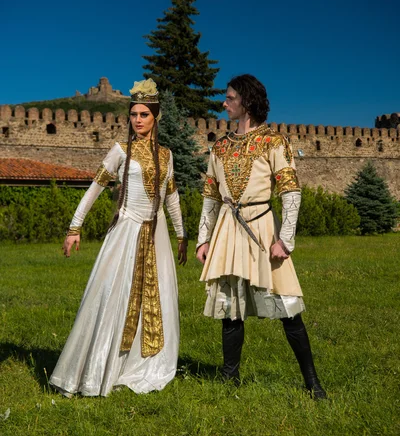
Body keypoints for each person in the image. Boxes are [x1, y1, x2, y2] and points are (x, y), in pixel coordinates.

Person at [50, 78, 187, 397]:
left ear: (156, 118)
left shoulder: (167, 156)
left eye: (144, 115)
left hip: (157, 236)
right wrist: (74, 227)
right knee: (113, 296)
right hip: (125, 232)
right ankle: (98, 367)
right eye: (134, 114)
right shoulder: (120, 151)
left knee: (159, 298)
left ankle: (143, 363)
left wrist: (181, 235)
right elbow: (94, 189)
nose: (137, 120)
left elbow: (172, 198)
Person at [196, 74, 326, 399]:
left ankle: (312, 383)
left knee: (288, 307)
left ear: (247, 101)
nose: (224, 104)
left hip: (263, 227)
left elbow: (291, 192)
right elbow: (211, 196)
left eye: (230, 98)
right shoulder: (220, 146)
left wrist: (286, 239)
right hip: (228, 228)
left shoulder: (274, 141)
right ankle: (230, 379)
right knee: (230, 309)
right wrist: (204, 238)